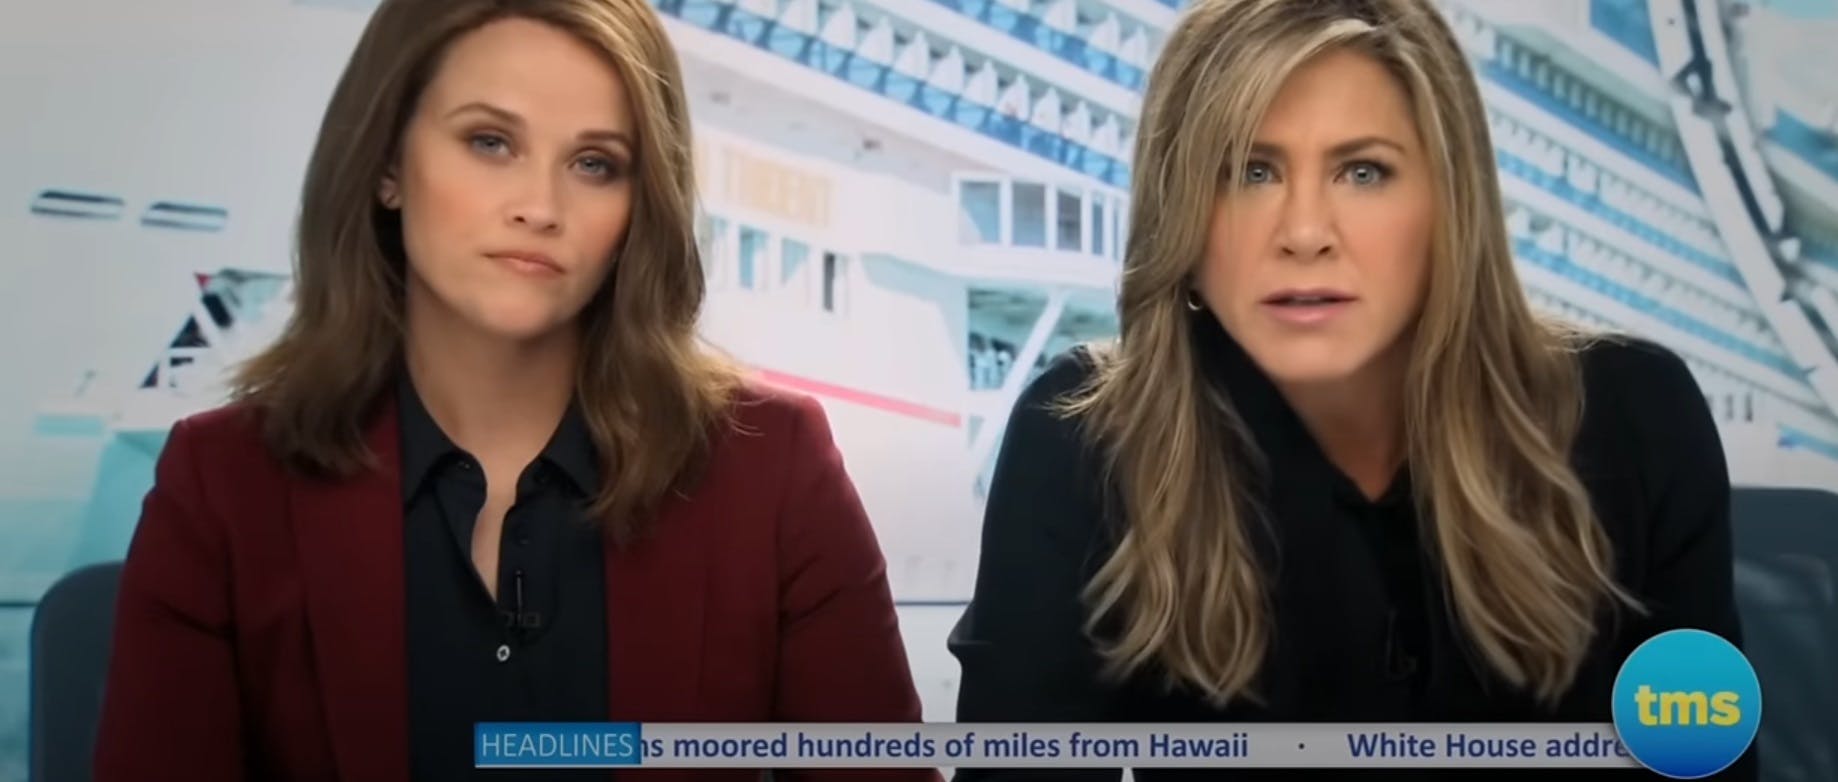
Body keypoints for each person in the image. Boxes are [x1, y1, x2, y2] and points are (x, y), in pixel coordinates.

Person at [93, 1, 934, 779]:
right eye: (490, 142)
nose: (541, 206)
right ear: (387, 163)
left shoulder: (771, 468)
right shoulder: (225, 483)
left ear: (640, 208)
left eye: (596, 164)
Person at [948, 0, 1753, 779]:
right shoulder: (1085, 435)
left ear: (1450, 209)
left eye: (1363, 171)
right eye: (1250, 172)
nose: (1304, 232)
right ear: (1182, 221)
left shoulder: (1637, 415)